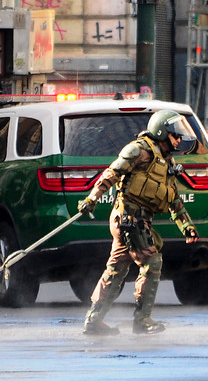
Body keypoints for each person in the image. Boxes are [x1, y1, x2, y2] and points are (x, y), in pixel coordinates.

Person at [77, 110, 199, 336]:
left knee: (115, 270)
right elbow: (111, 173)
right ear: (162, 133)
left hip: (136, 220)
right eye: (175, 135)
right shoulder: (140, 150)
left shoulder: (167, 162)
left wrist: (187, 225)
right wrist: (91, 198)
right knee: (152, 262)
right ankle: (142, 321)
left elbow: (173, 199)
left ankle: (94, 321)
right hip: (128, 218)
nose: (179, 140)